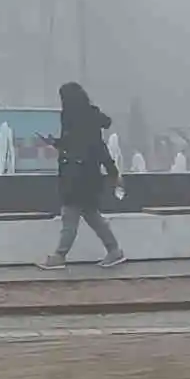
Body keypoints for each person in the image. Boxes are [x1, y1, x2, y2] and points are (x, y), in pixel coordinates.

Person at [37, 81, 125, 270]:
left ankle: (60, 255)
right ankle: (114, 250)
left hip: (78, 176)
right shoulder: (84, 116)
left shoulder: (78, 117)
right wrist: (57, 142)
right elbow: (78, 144)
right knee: (91, 216)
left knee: (70, 215)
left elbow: (95, 146)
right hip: (83, 175)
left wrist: (114, 172)